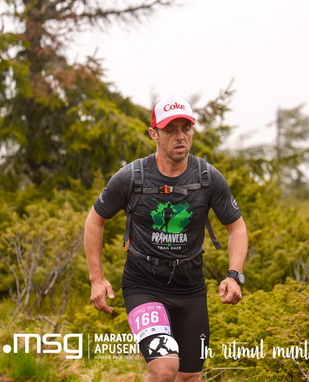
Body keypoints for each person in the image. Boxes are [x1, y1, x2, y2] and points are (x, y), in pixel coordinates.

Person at [84, 95, 248, 382]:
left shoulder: (208, 177)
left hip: (190, 288)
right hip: (143, 285)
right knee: (164, 368)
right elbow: (95, 221)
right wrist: (97, 279)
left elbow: (237, 227)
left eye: (186, 128)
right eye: (170, 130)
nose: (180, 136)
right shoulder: (132, 176)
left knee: (189, 377)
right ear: (154, 134)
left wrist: (234, 275)